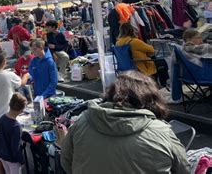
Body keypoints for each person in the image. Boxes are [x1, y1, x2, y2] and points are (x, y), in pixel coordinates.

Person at [61, 71, 190, 174]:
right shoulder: (162, 131)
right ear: (151, 99)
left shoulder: (81, 122)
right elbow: (184, 169)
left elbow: (66, 163)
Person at [0, 93, 27, 174]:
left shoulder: (2, 118)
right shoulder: (16, 127)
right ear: (21, 109)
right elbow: (15, 149)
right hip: (12, 160)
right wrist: (22, 161)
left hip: (3, 156)